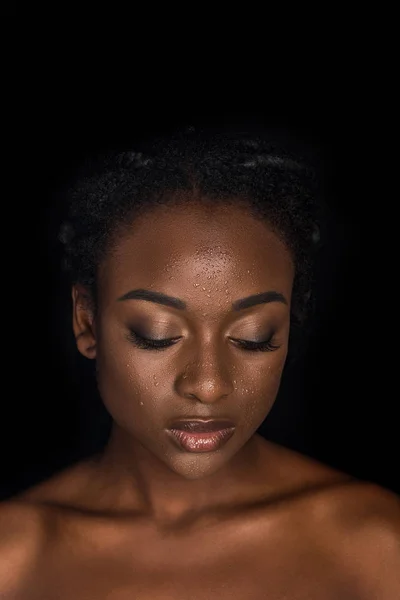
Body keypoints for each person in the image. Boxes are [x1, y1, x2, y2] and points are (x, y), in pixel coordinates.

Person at [0, 127, 399, 599]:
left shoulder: (378, 547)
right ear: (86, 321)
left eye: (254, 338)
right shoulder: (15, 561)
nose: (208, 385)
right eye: (157, 334)